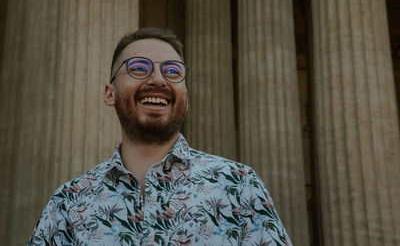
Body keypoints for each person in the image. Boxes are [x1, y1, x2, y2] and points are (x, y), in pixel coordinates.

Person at [28, 28, 292, 245]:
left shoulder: (239, 185)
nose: (158, 79)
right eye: (139, 68)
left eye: (173, 71)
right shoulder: (67, 203)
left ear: (185, 99)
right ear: (110, 94)